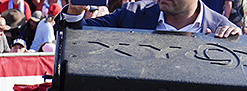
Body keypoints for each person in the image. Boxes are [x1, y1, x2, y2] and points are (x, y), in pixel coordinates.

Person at [61, 0, 241, 36]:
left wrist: (236, 43)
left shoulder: (225, 31)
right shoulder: (131, 14)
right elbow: (74, 36)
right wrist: (75, 11)